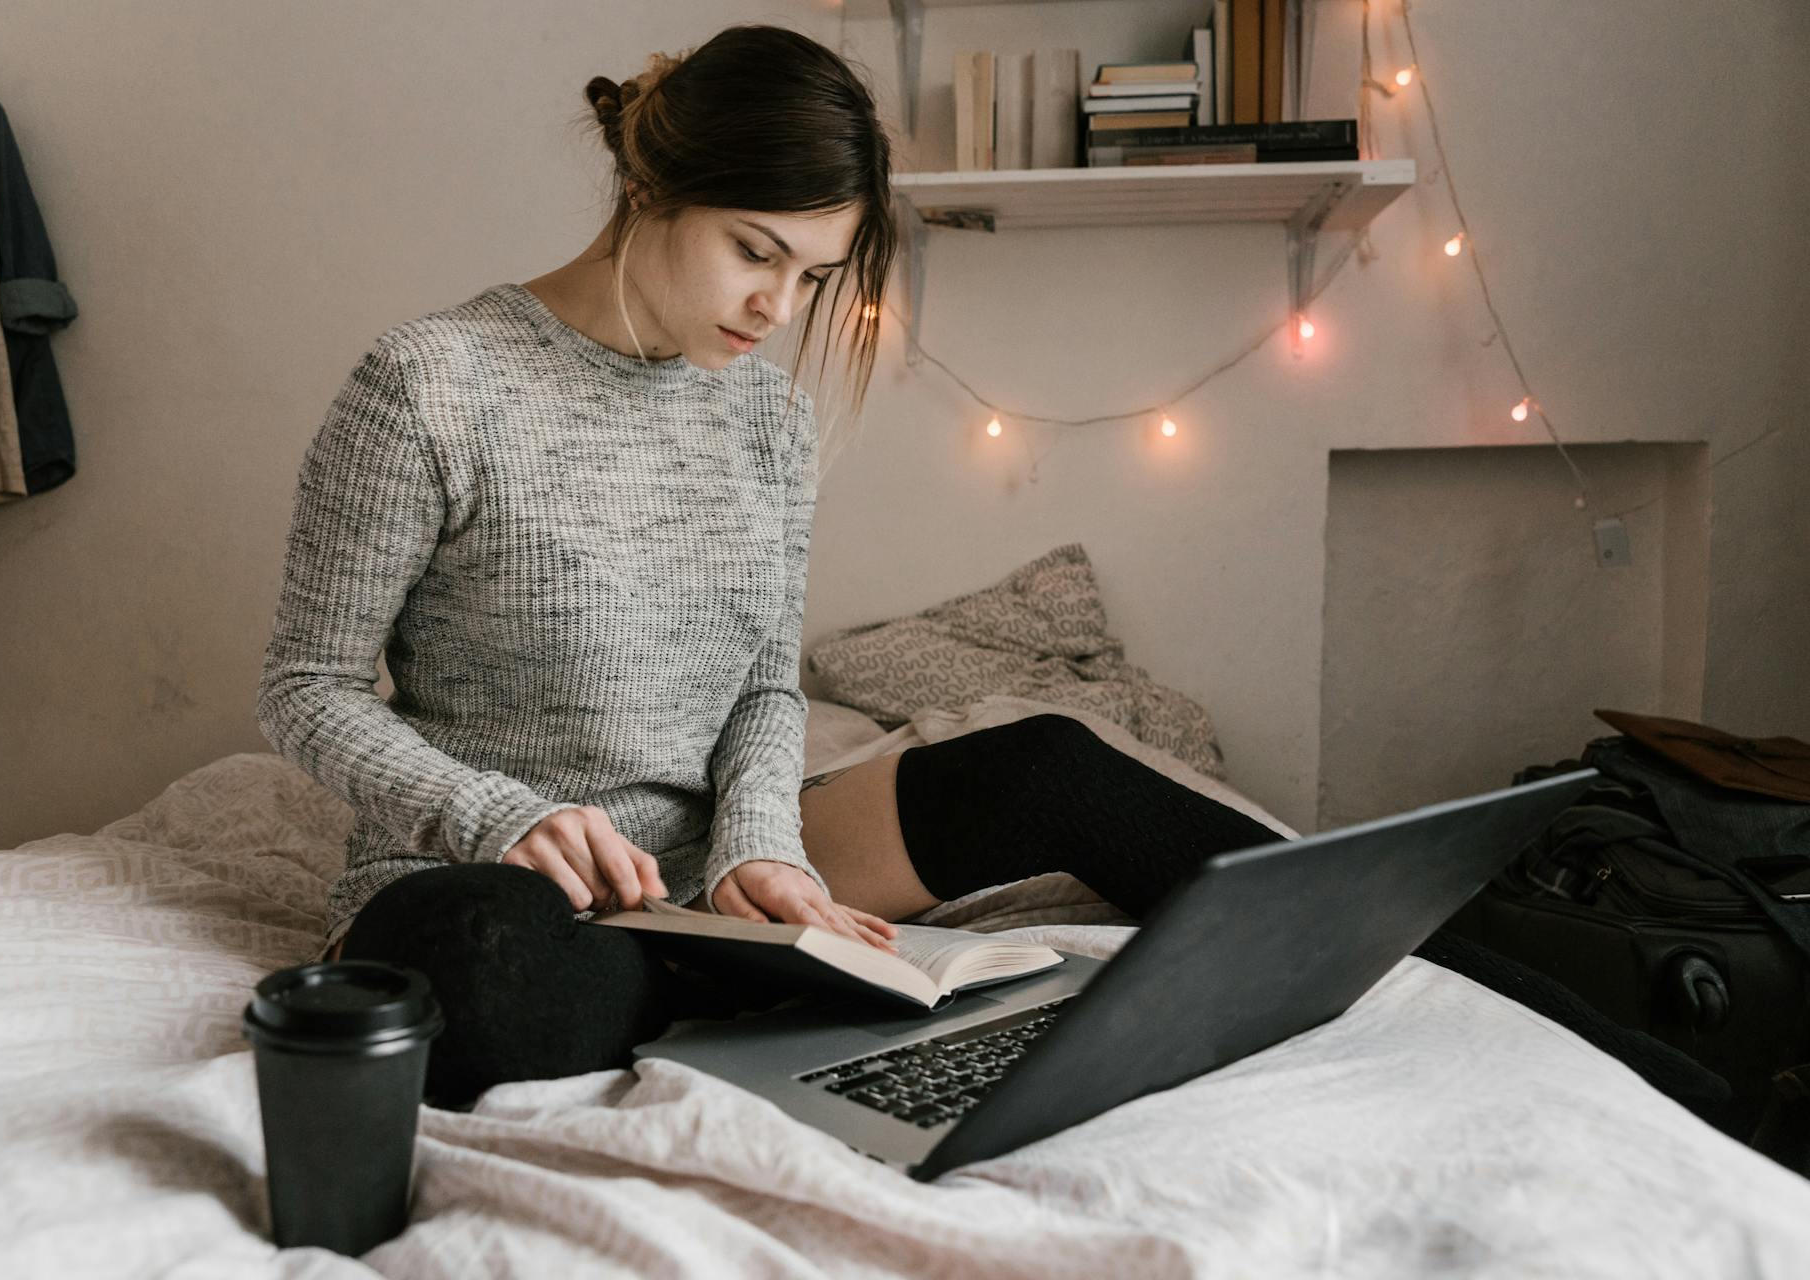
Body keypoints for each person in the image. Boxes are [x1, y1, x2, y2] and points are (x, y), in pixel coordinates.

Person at [259, 24, 1728, 1118]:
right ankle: (723, 985)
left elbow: (766, 683)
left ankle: (1533, 996)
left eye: (817, 276)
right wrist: (502, 813)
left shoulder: (762, 412)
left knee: (1055, 767)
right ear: (650, 187)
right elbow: (310, 689)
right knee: (483, 992)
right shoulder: (434, 383)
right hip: (521, 874)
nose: (778, 307)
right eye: (753, 252)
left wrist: (757, 844)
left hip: (726, 856)